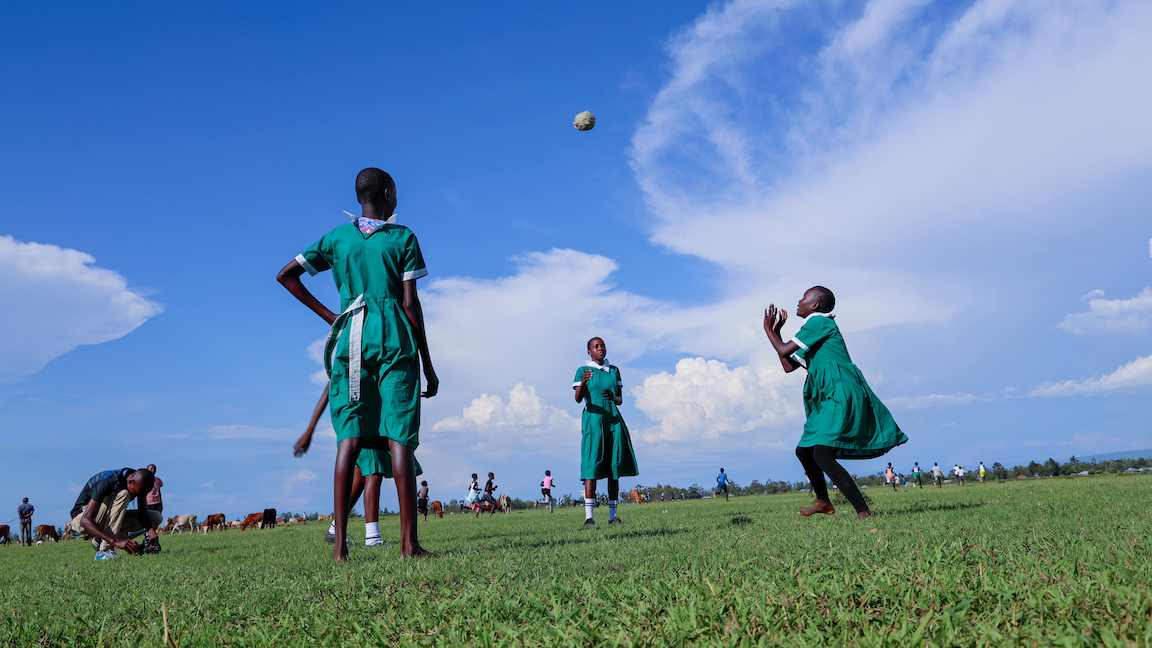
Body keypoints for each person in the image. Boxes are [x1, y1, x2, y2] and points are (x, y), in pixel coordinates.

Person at [278, 167, 438, 561]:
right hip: (393, 337)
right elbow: (410, 304)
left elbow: (287, 275)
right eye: (397, 192)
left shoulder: (337, 238)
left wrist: (333, 317)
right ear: (387, 193)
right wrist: (428, 365)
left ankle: (340, 550)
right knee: (398, 436)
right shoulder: (402, 237)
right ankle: (408, 546)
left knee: (348, 437)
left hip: (350, 336)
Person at [762, 287, 908, 521]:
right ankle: (823, 502)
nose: (799, 301)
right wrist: (777, 333)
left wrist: (769, 329)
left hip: (838, 391)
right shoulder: (812, 329)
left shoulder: (819, 322)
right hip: (824, 395)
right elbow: (788, 365)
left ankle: (863, 510)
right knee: (804, 451)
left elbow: (783, 349)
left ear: (815, 305)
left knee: (822, 454)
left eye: (803, 298)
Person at [295, 386, 423, 548]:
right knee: (373, 472)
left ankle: (336, 528)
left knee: (362, 477)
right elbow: (332, 383)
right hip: (363, 420)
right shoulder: (354, 365)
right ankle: (372, 536)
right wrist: (310, 429)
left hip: (369, 418)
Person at [574, 337, 639, 526]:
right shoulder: (583, 371)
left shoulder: (614, 370)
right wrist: (583, 384)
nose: (600, 349)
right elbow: (578, 399)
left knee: (614, 466)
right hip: (594, 420)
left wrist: (614, 397)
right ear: (589, 352)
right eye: (596, 346)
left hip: (613, 420)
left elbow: (620, 400)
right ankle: (589, 517)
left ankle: (613, 516)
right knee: (591, 465)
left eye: (603, 346)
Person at [67, 468, 161, 560]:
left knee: (156, 517)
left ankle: (99, 541)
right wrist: (115, 541)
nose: (138, 496)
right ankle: (105, 550)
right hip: (82, 520)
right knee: (124, 494)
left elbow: (143, 515)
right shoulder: (107, 481)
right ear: (131, 482)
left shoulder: (139, 482)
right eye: (137, 493)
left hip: (103, 519)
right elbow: (85, 520)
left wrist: (153, 538)